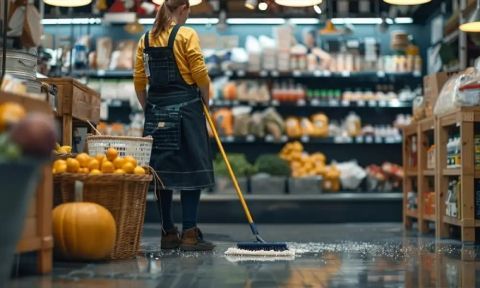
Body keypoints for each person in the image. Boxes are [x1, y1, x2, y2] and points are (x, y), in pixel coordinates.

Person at [134, 0, 215, 251]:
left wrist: (150, 107)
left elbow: (139, 81)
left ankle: (167, 233)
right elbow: (199, 72)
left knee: (161, 172)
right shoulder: (186, 34)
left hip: (156, 112)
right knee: (192, 166)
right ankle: (190, 233)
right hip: (187, 109)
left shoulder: (145, 40)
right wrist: (205, 100)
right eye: (188, 12)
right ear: (183, 10)